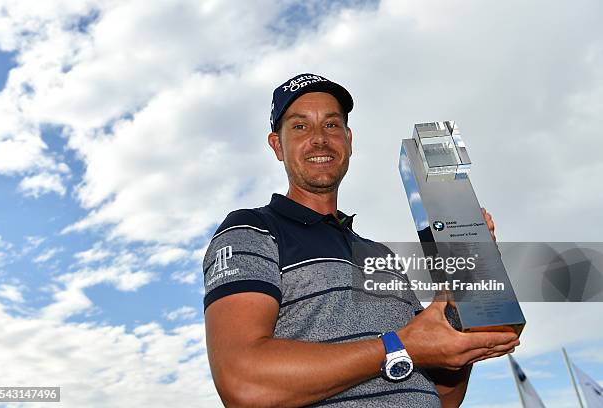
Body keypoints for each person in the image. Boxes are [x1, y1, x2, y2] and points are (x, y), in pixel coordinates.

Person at [203, 73, 519, 407]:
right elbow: (243, 382)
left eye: (331, 125)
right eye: (300, 127)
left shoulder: (379, 256)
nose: (319, 139)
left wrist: (457, 307)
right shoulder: (251, 230)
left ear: (348, 140)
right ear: (277, 145)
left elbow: (441, 397)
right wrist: (400, 346)